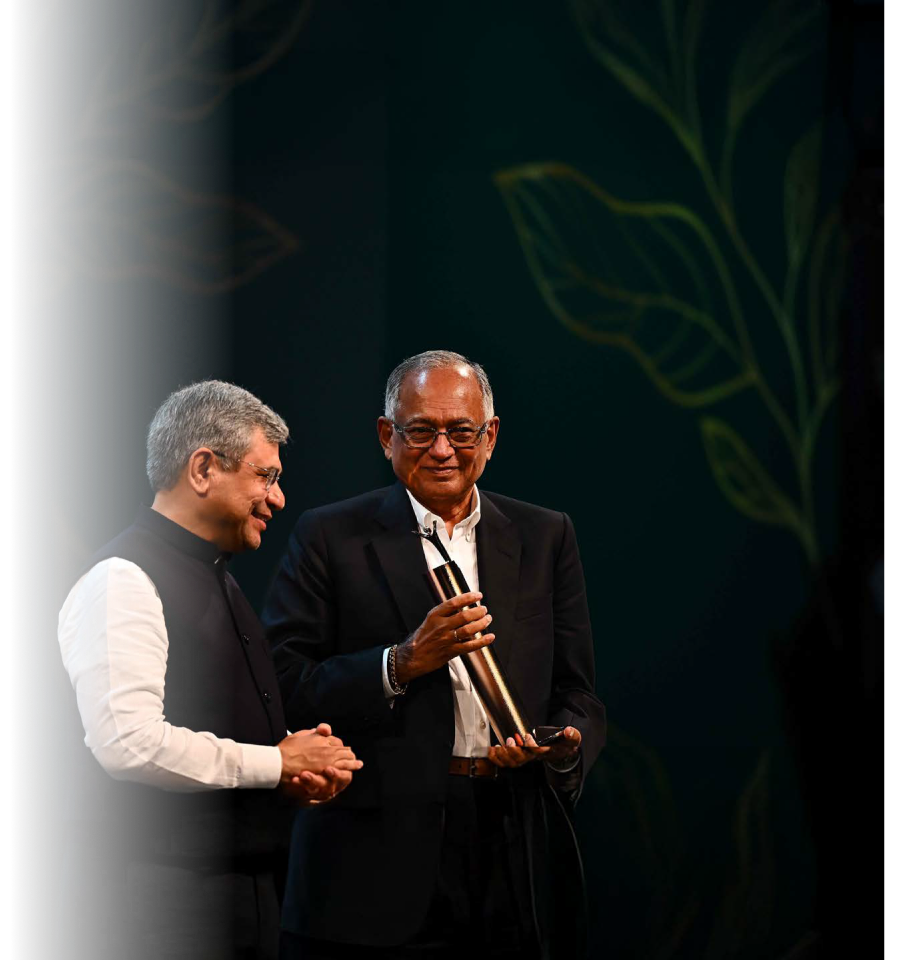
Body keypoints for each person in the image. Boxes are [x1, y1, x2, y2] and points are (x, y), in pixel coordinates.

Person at [264, 351, 605, 958]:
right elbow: (283, 682)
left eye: (461, 431)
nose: (442, 449)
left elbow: (578, 692)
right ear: (386, 436)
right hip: (371, 860)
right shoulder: (329, 536)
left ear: (490, 437)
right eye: (421, 431)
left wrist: (564, 744)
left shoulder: (545, 535)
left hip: (510, 847)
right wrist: (399, 664)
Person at [56, 380, 362, 960]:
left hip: (233, 902)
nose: (278, 499)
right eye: (265, 476)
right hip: (151, 909)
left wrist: (291, 772)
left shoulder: (217, 578)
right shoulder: (122, 580)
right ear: (202, 469)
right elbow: (127, 742)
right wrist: (277, 762)